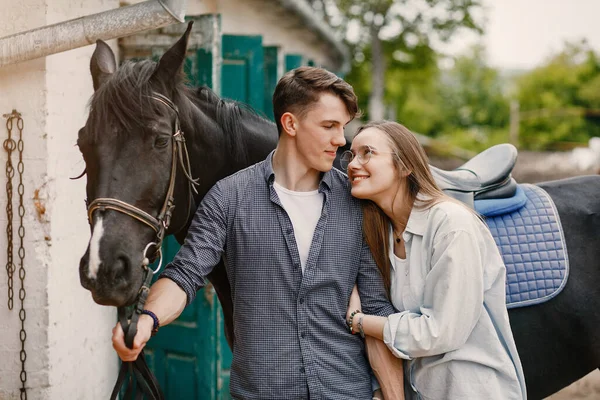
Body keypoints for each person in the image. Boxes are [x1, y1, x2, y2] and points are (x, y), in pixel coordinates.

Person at [111, 67, 396, 399]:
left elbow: (376, 309)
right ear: (290, 124)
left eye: (342, 127)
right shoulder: (229, 197)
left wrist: (392, 395)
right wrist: (148, 319)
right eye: (329, 126)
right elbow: (186, 273)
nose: (341, 140)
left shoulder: (356, 202)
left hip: (347, 391)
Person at [341, 121, 527, 399]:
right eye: (352, 155)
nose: (354, 164)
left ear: (404, 167)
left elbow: (439, 332)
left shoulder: (452, 224)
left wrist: (358, 321)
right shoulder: (385, 232)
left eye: (368, 152)